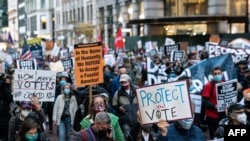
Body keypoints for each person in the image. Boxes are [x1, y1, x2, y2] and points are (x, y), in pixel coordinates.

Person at [201, 66, 226, 139]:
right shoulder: (209, 85)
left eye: (219, 73)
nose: (217, 75)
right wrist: (214, 106)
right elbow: (204, 101)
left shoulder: (225, 83)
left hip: (223, 114)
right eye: (215, 74)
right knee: (214, 135)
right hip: (212, 116)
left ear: (222, 74)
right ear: (212, 75)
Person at [112, 74, 139, 141]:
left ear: (129, 81)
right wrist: (119, 108)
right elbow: (114, 105)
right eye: (122, 83)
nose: (124, 84)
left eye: (125, 82)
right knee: (128, 138)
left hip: (138, 119)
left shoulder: (137, 90)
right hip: (126, 121)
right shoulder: (117, 93)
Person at [0, 75, 13, 141]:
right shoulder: (5, 88)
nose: (8, 80)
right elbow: (10, 98)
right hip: (4, 114)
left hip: (4, 113)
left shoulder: (5, 87)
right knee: (4, 134)